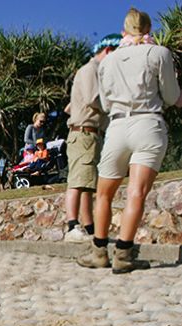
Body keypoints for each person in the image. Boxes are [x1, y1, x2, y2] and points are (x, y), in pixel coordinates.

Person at [78, 8, 182, 273]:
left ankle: (98, 251)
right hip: (148, 123)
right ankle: (124, 254)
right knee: (137, 191)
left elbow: (104, 102)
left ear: (124, 30)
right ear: (149, 30)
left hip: (118, 126)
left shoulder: (108, 61)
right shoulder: (159, 54)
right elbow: (171, 96)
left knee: (104, 193)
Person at [63, 33, 122, 243]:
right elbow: (92, 99)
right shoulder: (90, 71)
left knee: (88, 182)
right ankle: (72, 226)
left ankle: (89, 227)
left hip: (92, 134)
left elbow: (71, 106)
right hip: (84, 133)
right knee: (77, 181)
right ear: (108, 51)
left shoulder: (96, 72)